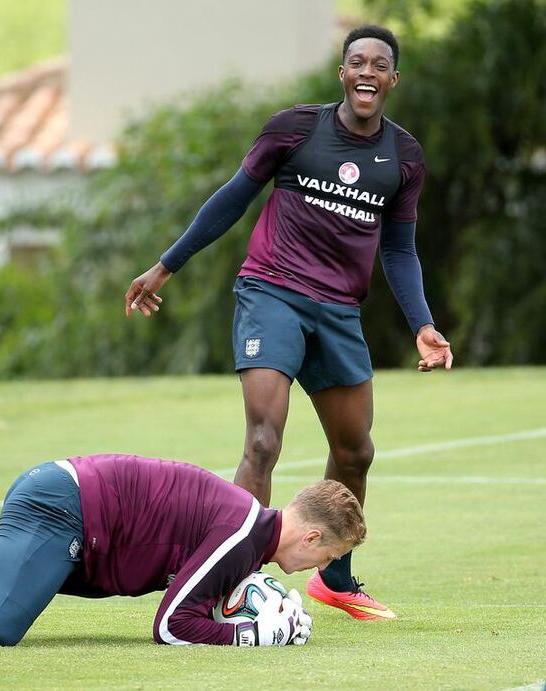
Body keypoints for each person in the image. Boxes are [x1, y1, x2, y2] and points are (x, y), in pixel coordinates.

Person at [124, 25, 453, 621]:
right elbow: (232, 197)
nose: (367, 74)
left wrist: (422, 324)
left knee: (356, 452)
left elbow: (400, 249)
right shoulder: (295, 129)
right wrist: (165, 266)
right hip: (271, 292)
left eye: (379, 66)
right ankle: (231, 583)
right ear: (342, 73)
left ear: (392, 81)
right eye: (357, 62)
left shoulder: (403, 157)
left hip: (339, 312)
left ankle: (337, 579)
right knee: (262, 439)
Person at [0, 454, 365, 648]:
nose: (318, 569)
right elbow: (170, 626)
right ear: (312, 536)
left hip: (71, 512)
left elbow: (200, 590)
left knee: (105, 575)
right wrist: (248, 635)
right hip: (59, 505)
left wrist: (250, 609)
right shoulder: (242, 531)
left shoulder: (248, 531)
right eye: (326, 557)